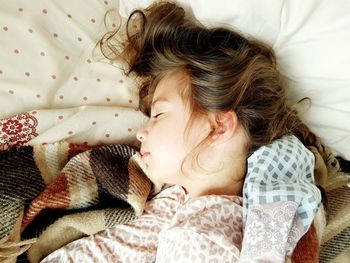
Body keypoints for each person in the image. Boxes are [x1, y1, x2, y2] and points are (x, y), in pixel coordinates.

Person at [42, 1, 321, 262]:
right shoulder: (190, 204)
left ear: (219, 126)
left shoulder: (197, 239)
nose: (141, 133)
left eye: (159, 114)